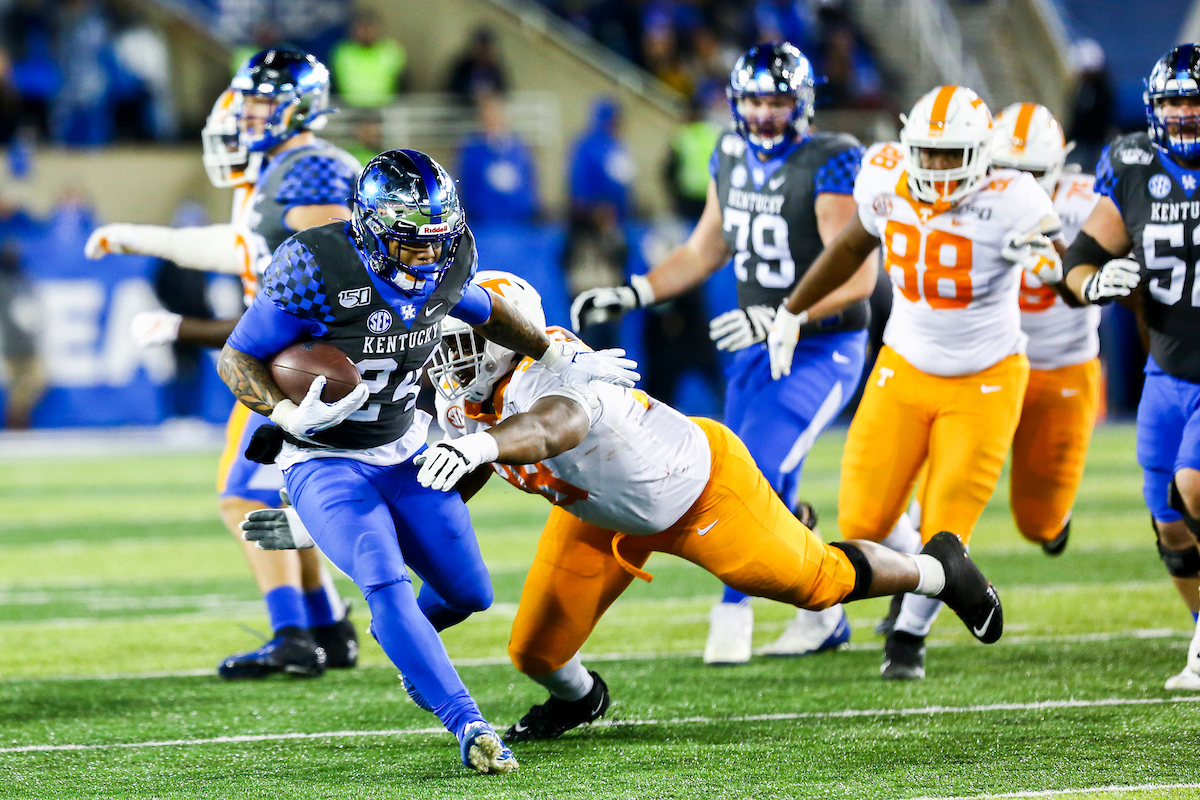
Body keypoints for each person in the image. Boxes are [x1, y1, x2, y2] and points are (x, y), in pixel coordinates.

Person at [408, 271, 1000, 740]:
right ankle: (582, 701)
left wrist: (478, 445)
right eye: (444, 344)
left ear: (508, 341)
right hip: (598, 513)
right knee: (534, 652)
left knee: (821, 583)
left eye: (464, 345)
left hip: (700, 491)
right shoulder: (463, 398)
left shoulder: (554, 367)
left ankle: (939, 570)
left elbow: (549, 427)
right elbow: (472, 465)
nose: (448, 361)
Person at [222, 150, 638, 772]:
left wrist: (555, 357)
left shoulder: (451, 257)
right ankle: (468, 723)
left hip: (402, 444)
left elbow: (486, 311)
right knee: (385, 581)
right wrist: (285, 414)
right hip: (323, 454)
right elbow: (237, 357)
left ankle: (404, 638)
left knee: (468, 593)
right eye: (410, 241)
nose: (426, 254)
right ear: (370, 227)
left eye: (436, 239)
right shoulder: (315, 264)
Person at [571, 42, 877, 665]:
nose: (763, 113)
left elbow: (856, 276)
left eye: (776, 100)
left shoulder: (832, 158)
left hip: (822, 346)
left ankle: (733, 611)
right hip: (753, 346)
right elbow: (703, 249)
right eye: (753, 100)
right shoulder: (730, 153)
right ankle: (825, 615)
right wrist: (636, 292)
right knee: (759, 483)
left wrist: (786, 313)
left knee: (756, 473)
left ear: (802, 102)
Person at [767, 84, 1065, 681]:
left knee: (945, 531)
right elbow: (851, 245)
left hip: (985, 377)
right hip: (903, 365)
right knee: (863, 521)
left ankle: (908, 635)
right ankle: (934, 577)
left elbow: (1057, 264)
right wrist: (792, 310)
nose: (936, 164)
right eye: (927, 151)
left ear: (981, 154)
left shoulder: (1013, 197)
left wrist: (1050, 263)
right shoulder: (884, 176)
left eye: (951, 153)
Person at [85, 48, 361, 679]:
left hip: (302, 362)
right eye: (247, 100)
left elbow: (337, 271)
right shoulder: (283, 166)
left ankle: (293, 635)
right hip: (288, 357)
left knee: (244, 498)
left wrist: (313, 357)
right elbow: (243, 252)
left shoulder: (311, 167)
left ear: (298, 107)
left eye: (262, 102)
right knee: (282, 500)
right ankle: (327, 627)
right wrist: (138, 238)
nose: (247, 113)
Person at [1058, 44, 1200, 691]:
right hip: (1167, 368)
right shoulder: (1133, 163)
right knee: (1168, 524)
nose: (1183, 112)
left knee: (1193, 486)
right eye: (1173, 101)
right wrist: (1094, 283)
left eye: (1194, 100)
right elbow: (1079, 259)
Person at [991, 102, 1102, 554]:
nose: (1018, 184)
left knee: (1040, 523)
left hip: (1060, 364)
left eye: (1032, 173)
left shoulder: (1091, 201)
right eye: (1005, 170)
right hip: (985, 364)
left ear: (1058, 167)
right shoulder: (964, 194)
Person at [455, 94, 539, 225]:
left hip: (518, 220)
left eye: (496, 115)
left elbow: (530, 182)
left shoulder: (519, 149)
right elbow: (465, 185)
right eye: (488, 117)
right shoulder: (471, 151)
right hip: (482, 221)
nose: (493, 121)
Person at [330, 10, 405, 109]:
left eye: (370, 28)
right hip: (349, 108)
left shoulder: (391, 51)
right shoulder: (342, 52)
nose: (366, 32)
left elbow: (402, 81)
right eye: (361, 28)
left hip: (384, 107)